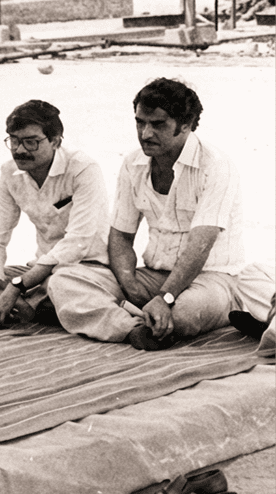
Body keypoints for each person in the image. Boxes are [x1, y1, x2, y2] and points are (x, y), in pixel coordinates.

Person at [47, 78, 243, 350]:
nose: (145, 133)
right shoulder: (133, 162)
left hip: (210, 278)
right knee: (64, 281)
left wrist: (165, 298)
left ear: (185, 124)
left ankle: (129, 318)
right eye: (140, 122)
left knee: (183, 315)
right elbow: (120, 236)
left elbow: (200, 246)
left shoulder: (215, 165)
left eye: (158, 124)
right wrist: (128, 282)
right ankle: (133, 328)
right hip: (154, 275)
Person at [0, 100, 109, 329]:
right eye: (14, 141)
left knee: (63, 285)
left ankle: (25, 308)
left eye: (31, 142)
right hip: (37, 274)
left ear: (55, 141)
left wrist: (14, 289)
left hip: (84, 270)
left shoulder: (83, 168)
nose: (20, 150)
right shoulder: (10, 172)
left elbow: (77, 243)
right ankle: (25, 310)